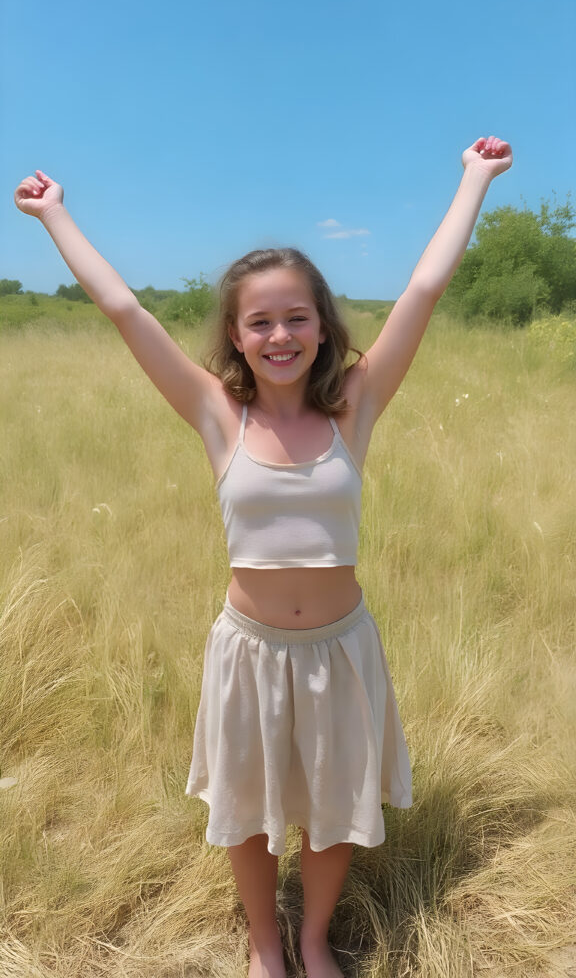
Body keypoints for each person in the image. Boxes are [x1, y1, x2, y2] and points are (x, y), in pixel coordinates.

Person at [14, 136, 513, 978]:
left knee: (331, 809)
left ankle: (312, 940)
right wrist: (54, 214)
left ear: (323, 327)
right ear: (236, 336)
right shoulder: (218, 414)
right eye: (260, 321)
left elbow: (425, 288)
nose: (280, 334)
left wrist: (475, 178)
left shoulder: (354, 405)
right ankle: (264, 944)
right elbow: (125, 309)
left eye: (296, 317)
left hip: (340, 651)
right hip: (248, 652)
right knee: (246, 814)